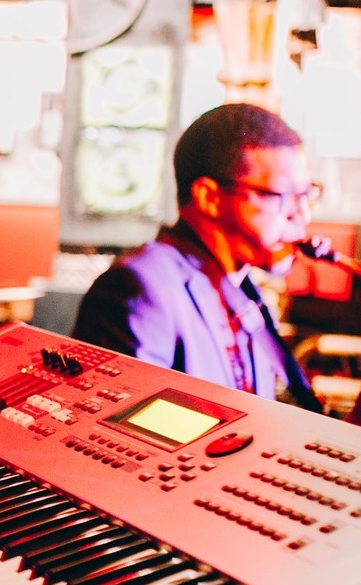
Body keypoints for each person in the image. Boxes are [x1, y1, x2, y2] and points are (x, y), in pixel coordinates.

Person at [73, 102, 321, 410]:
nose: (303, 216)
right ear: (209, 197)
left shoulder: (243, 288)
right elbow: (121, 439)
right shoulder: (137, 289)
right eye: (282, 196)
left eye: (307, 195)